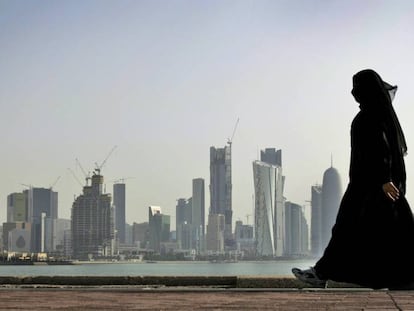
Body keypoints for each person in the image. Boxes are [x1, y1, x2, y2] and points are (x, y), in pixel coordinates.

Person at [292, 69, 414, 289]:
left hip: (371, 187)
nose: (353, 92)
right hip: (372, 185)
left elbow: (382, 150)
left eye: (357, 87)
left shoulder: (370, 117)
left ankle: (320, 274)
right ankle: (322, 273)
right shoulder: (375, 116)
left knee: (350, 231)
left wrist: (384, 179)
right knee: (382, 234)